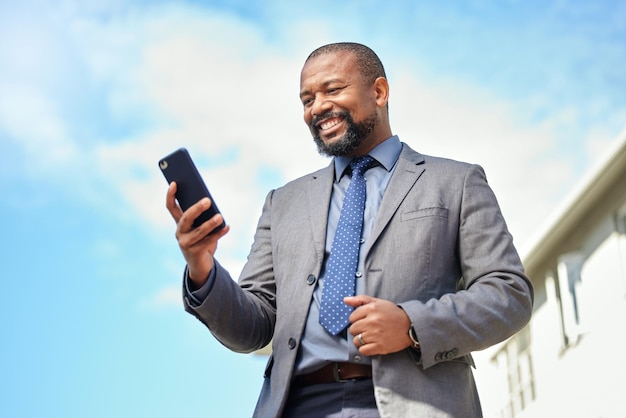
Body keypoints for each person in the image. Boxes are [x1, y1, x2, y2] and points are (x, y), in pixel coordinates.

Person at [165, 42, 533, 418]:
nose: (317, 107)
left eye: (332, 90)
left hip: (416, 403)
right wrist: (202, 267)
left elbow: (509, 294)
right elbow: (254, 327)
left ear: (379, 92)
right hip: (299, 406)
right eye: (307, 99)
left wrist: (411, 325)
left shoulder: (454, 181)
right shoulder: (283, 202)